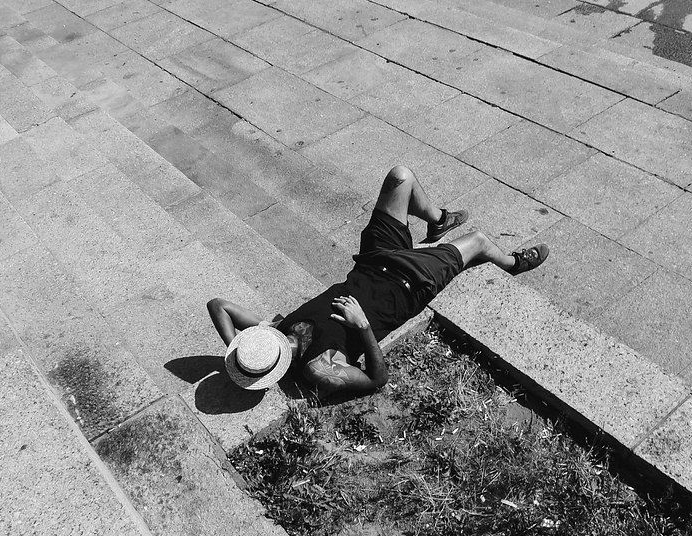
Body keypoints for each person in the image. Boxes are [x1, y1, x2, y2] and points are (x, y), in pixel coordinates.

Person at [207, 165, 549, 398]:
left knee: (401, 177)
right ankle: (512, 264)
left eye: (259, 338)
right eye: (261, 345)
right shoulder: (318, 368)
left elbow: (218, 305)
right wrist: (362, 325)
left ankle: (439, 220)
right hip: (407, 282)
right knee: (479, 241)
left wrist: (242, 350)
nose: (265, 336)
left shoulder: (276, 335)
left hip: (372, 261)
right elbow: (377, 380)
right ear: (277, 368)